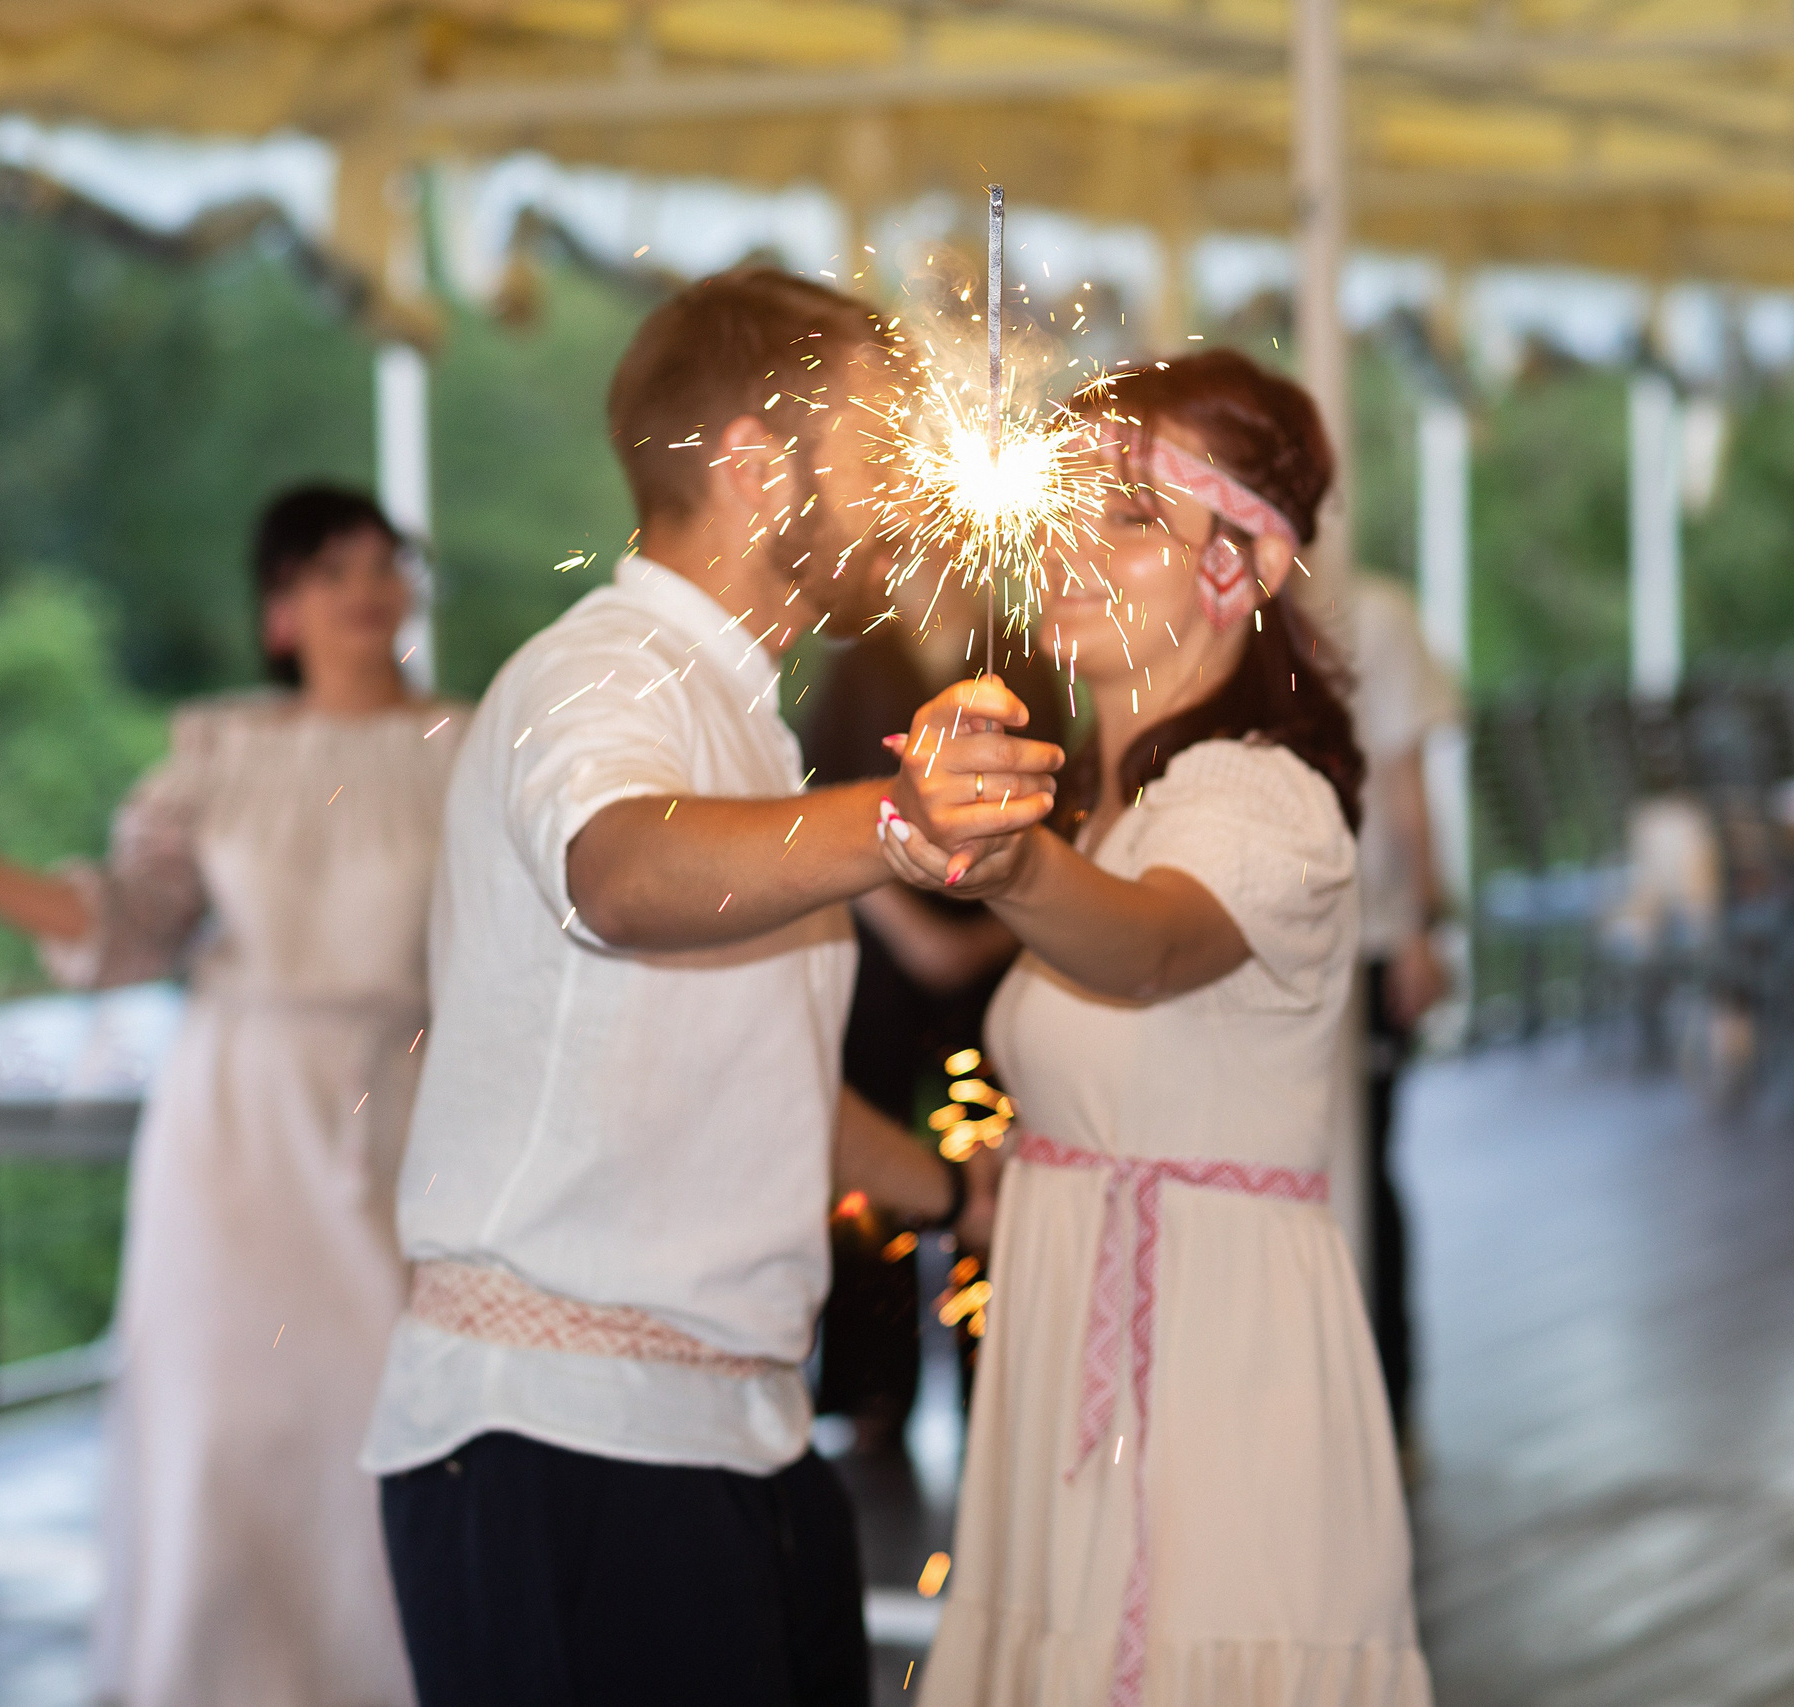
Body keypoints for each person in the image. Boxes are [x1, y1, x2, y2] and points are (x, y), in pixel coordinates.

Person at [360, 267, 1056, 1707]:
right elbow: (618, 872)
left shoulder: (746, 719)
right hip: (555, 1440)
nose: (908, 488)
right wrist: (896, 822)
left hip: (736, 1434)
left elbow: (760, 1087)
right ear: (754, 464)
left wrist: (958, 1194)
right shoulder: (598, 675)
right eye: (877, 443)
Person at [0, 484, 463, 1707]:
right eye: (330, 570)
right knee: (218, 1426)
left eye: (383, 566)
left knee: (389, 1419)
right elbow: (125, 929)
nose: (364, 591)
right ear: (279, 611)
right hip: (233, 1124)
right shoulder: (218, 753)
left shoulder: (479, 742)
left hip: (405, 1109)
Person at [884, 350, 1433, 1706]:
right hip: (1078, 1328)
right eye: (1070, 503)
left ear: (1237, 567)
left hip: (1206, 1358)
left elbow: (1144, 950)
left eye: (1131, 515)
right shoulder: (1122, 805)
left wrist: (1002, 860)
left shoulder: (1264, 797)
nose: (1072, 541)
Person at [799, 601, 1065, 1449]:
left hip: (993, 952)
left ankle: (995, 1381)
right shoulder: (858, 654)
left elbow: (1058, 809)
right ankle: (871, 1391)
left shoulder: (1022, 650)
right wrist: (916, 938)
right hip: (880, 956)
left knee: (993, 1145)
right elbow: (819, 805)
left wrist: (985, 932)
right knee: (871, 1157)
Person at [1342, 570, 1461, 1461]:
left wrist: (1420, 924)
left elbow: (1406, 785)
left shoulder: (1372, 615)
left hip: (1369, 937)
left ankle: (1387, 1392)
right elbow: (1407, 784)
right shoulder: (1365, 613)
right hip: (1335, 932)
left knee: (1366, 1163)